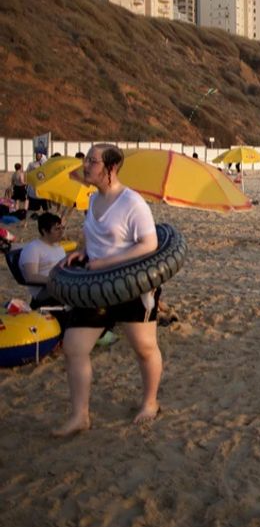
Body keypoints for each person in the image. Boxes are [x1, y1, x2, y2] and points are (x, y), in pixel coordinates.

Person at [53, 144, 163, 436]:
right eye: (86, 160)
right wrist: (84, 254)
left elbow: (148, 245)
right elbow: (97, 238)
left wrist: (106, 262)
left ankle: (150, 402)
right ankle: (80, 416)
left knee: (144, 348)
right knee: (74, 347)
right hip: (96, 287)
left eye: (92, 161)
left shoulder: (132, 202)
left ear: (111, 168)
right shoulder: (93, 200)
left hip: (132, 286)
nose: (86, 165)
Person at [19, 212, 66, 309]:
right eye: (57, 229)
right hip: (45, 291)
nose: (61, 232)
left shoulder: (59, 247)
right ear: (44, 231)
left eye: (62, 228)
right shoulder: (33, 248)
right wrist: (57, 281)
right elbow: (31, 277)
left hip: (60, 285)